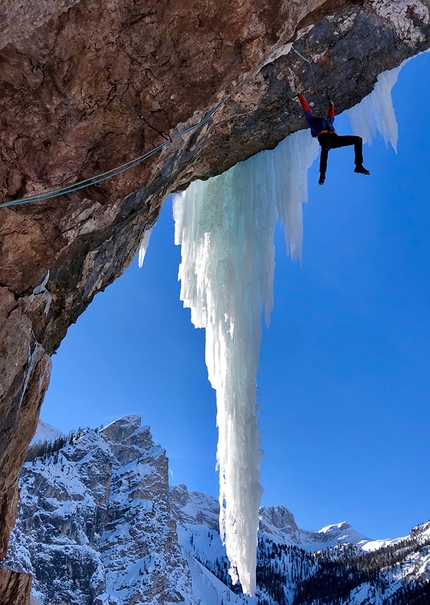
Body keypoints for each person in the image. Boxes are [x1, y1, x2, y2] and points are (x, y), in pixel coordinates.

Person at [298, 93, 370, 185]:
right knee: (324, 151)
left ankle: (358, 165)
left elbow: (331, 114)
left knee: (358, 139)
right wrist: (299, 95)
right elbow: (306, 108)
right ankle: (322, 174)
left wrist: (332, 104)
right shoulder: (311, 121)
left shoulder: (328, 123)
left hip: (335, 139)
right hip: (326, 139)